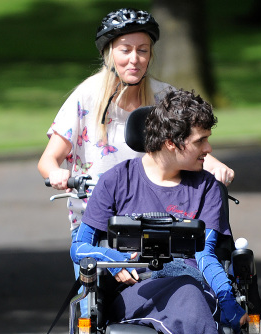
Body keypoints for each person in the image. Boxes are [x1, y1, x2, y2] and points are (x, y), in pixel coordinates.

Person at [70, 89, 261, 334]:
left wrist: (227, 301)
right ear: (173, 143)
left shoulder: (206, 188)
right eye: (201, 140)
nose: (209, 149)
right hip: (133, 294)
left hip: (188, 293)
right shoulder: (117, 182)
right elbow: (79, 248)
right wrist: (113, 260)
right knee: (187, 297)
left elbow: (206, 256)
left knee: (186, 300)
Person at [37, 7, 234, 234]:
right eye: (125, 50)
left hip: (152, 218)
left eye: (143, 50)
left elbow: (187, 143)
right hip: (95, 220)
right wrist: (56, 173)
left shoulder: (163, 98)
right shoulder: (86, 98)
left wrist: (215, 165)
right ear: (109, 53)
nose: (135, 59)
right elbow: (49, 159)